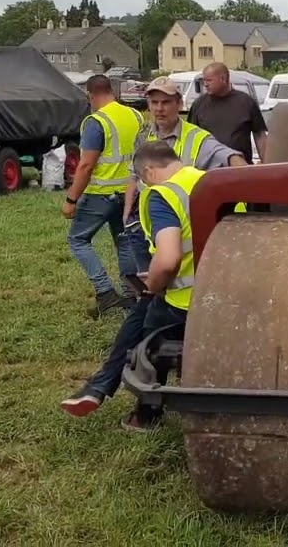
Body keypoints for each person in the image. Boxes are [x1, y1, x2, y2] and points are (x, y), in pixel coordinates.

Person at [60, 141, 227, 431]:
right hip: (232, 292)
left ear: (148, 172)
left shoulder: (161, 195)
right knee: (143, 310)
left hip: (189, 302)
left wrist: (155, 284)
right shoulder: (212, 182)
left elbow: (168, 259)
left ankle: (145, 413)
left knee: (148, 336)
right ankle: (98, 387)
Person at [120, 76, 247, 249]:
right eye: (154, 102)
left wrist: (246, 186)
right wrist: (127, 213)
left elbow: (231, 158)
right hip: (149, 223)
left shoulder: (197, 138)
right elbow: (134, 177)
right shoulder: (144, 135)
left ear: (179, 104)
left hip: (183, 227)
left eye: (166, 102)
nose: (159, 109)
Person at [63, 74, 145, 318]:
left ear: (91, 95)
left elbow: (87, 165)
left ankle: (105, 293)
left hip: (101, 194)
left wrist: (71, 199)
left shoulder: (96, 122)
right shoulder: (135, 115)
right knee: (125, 240)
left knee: (78, 239)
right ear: (112, 91)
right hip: (130, 192)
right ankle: (131, 294)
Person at [187, 62, 269, 164]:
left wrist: (267, 164)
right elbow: (190, 137)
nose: (205, 84)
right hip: (209, 169)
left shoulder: (246, 102)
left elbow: (260, 136)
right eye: (204, 80)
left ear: (223, 79)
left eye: (209, 80)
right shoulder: (199, 104)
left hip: (240, 168)